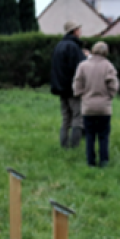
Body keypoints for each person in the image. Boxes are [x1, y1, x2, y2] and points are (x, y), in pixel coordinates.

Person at [72, 41, 120, 167]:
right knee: (103, 135)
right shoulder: (108, 66)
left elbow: (77, 85)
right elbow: (113, 85)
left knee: (90, 135)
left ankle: (90, 161)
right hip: (104, 107)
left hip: (88, 107)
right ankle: (104, 160)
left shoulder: (83, 65)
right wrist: (109, 95)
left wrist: (82, 94)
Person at [50, 21, 88, 149]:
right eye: (78, 29)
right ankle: (74, 145)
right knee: (78, 117)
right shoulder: (73, 47)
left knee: (66, 118)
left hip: (61, 88)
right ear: (74, 31)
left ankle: (64, 144)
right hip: (72, 89)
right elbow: (81, 67)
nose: (80, 31)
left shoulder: (59, 46)